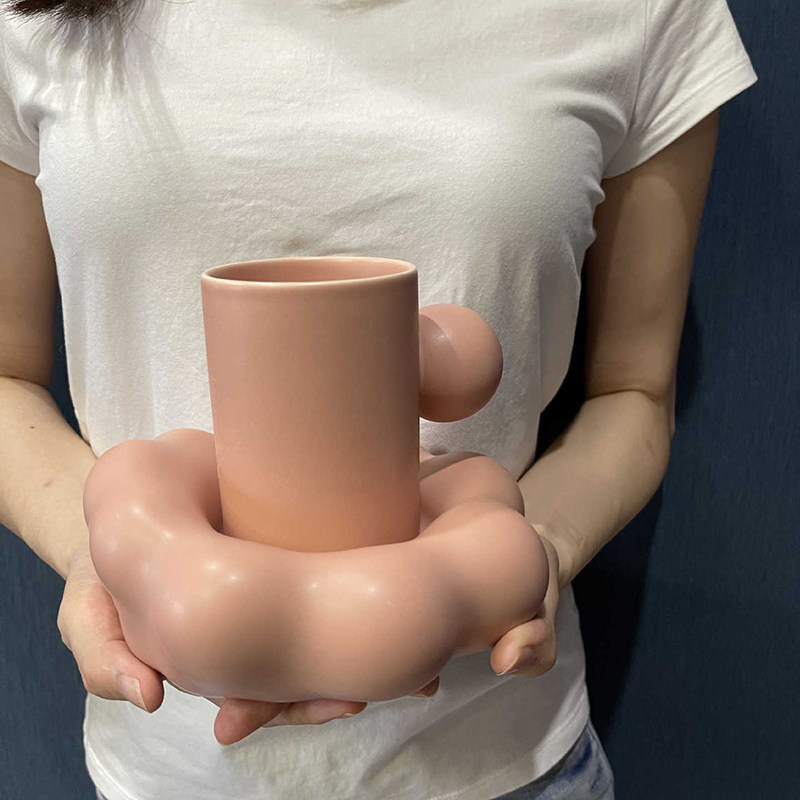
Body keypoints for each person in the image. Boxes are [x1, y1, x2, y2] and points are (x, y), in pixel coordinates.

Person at [0, 0, 758, 798]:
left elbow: (633, 389)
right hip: (162, 769)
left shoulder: (643, 11)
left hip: (504, 759)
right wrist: (95, 555)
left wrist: (532, 552)